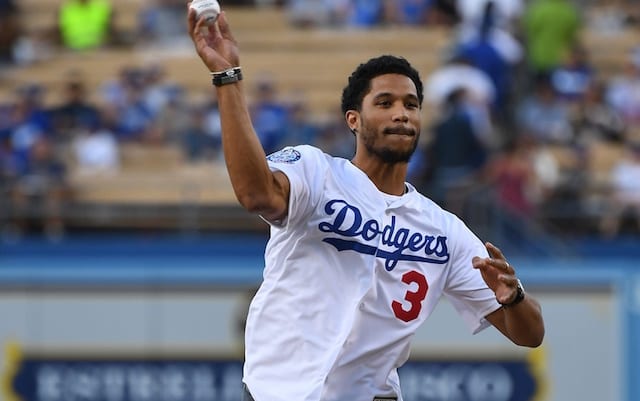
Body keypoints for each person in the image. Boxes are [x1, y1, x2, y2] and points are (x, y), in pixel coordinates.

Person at [187, 6, 545, 401]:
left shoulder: (445, 230)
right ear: (353, 119)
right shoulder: (316, 171)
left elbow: (529, 333)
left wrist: (514, 297)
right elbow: (256, 194)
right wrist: (227, 79)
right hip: (277, 391)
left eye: (411, 105)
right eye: (386, 102)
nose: (401, 114)